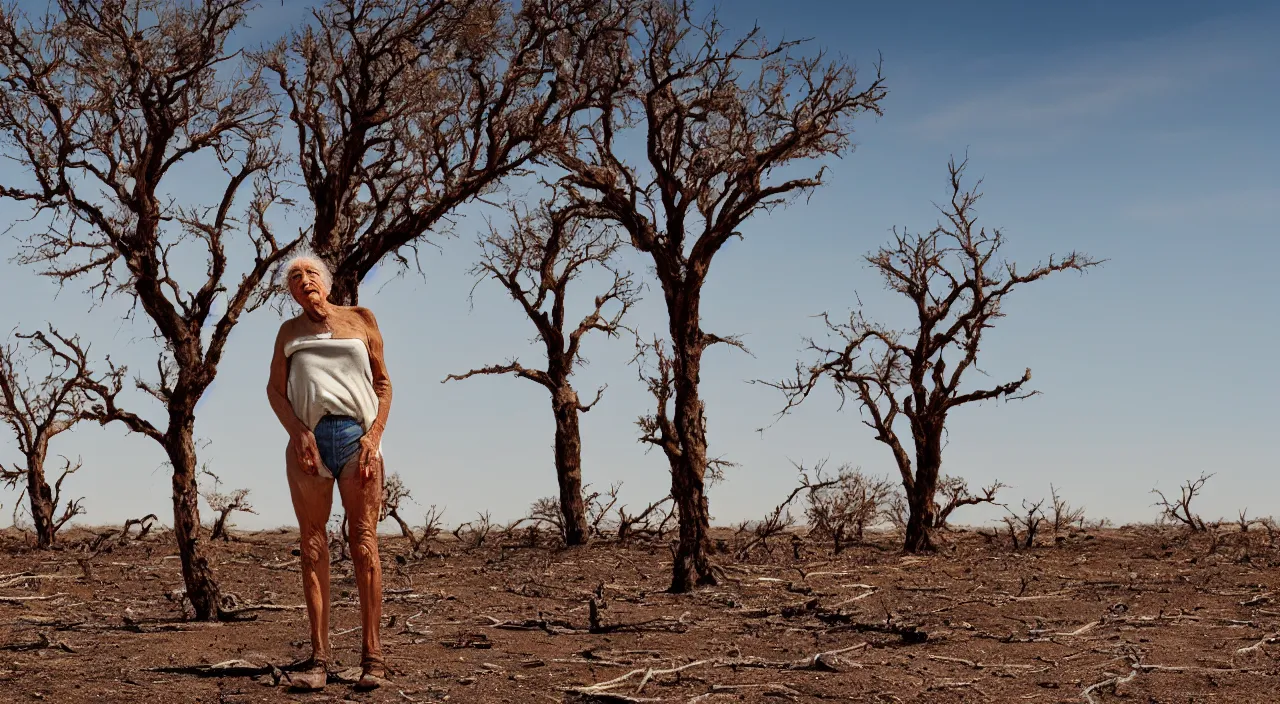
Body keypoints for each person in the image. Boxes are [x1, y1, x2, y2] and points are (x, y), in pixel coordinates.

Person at [266, 255, 392, 691]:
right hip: (309, 446)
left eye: (311, 273)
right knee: (313, 543)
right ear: (292, 292)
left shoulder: (360, 320)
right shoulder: (289, 332)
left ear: (327, 281)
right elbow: (274, 390)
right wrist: (298, 432)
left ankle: (372, 659)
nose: (304, 281)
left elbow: (383, 382)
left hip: (358, 442)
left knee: (363, 543)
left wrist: (374, 436)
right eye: (295, 278)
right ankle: (319, 661)